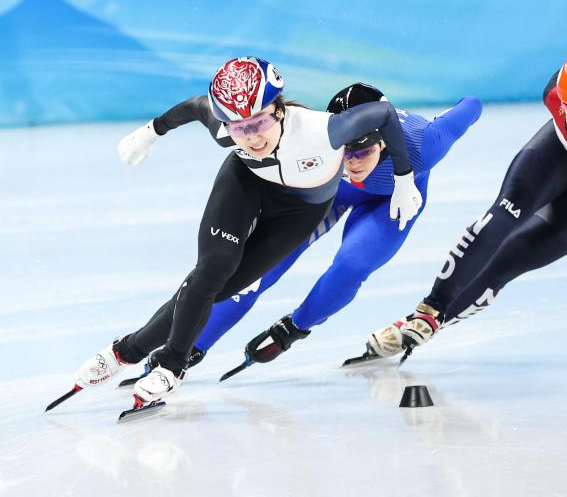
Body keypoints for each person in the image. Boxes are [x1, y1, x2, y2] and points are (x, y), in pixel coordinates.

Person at [68, 57, 423, 407]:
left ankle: (127, 348)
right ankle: (165, 363)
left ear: (279, 110)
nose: (251, 136)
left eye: (259, 122)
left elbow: (384, 114)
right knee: (212, 269)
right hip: (247, 182)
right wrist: (151, 131)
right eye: (239, 128)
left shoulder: (324, 130)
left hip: (300, 210)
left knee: (225, 288)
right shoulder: (225, 130)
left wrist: (404, 178)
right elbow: (195, 106)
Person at [358, 35, 567, 361]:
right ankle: (428, 313)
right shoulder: (554, 92)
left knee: (510, 260)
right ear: (561, 101)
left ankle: (427, 325)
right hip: (557, 153)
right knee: (499, 220)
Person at [128, 83, 481, 377]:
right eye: (347, 152)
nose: (353, 162)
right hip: (330, 191)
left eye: (364, 152)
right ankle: (193, 345)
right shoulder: (322, 136)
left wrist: (291, 330)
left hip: (392, 201)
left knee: (352, 266)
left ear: (386, 142)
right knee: (255, 269)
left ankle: (294, 328)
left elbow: (472, 105)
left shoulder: (427, 142)